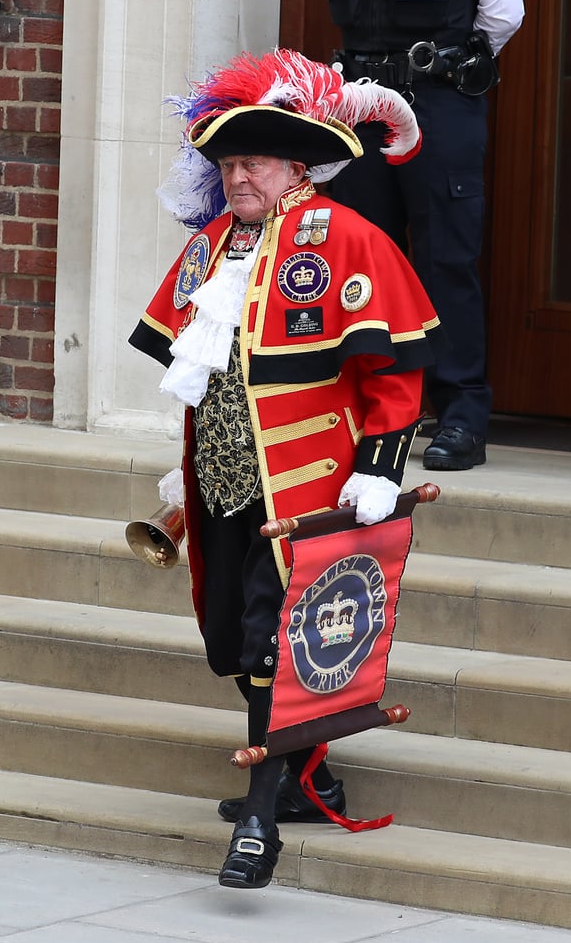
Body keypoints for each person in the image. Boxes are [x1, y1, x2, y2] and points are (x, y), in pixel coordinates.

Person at [129, 49, 443, 890]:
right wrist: (182, 471)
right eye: (228, 164)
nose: (237, 178)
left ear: (295, 167)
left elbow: (395, 369)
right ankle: (310, 777)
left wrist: (379, 464)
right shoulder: (210, 247)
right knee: (231, 637)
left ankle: (261, 822)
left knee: (279, 642)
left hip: (306, 483)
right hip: (221, 480)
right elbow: (203, 370)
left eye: (253, 163)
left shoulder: (344, 237)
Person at [325, 0, 525, 470]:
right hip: (362, 105)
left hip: (438, 99)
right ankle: (378, 408)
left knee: (445, 259)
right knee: (364, 262)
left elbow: (505, 14)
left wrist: (441, 61)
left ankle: (461, 415)